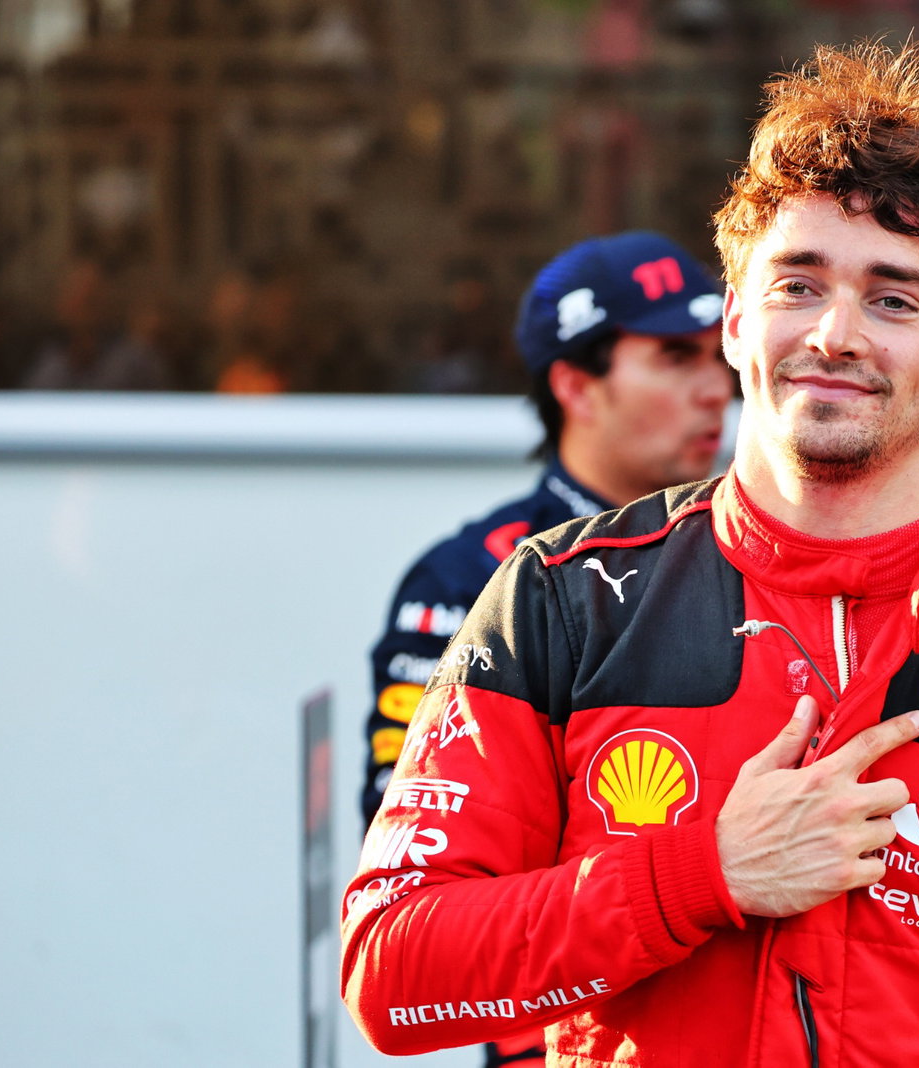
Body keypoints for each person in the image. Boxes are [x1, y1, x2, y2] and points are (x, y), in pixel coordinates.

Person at [343, 41, 919, 1065]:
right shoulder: (558, 600)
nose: (833, 334)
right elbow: (392, 978)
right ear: (733, 321)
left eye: (894, 299)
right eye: (796, 285)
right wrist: (700, 872)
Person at [361, 230, 730, 1068]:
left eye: (718, 354)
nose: (717, 389)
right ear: (575, 385)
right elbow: (425, 883)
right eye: (675, 358)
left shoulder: (760, 553)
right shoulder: (468, 583)